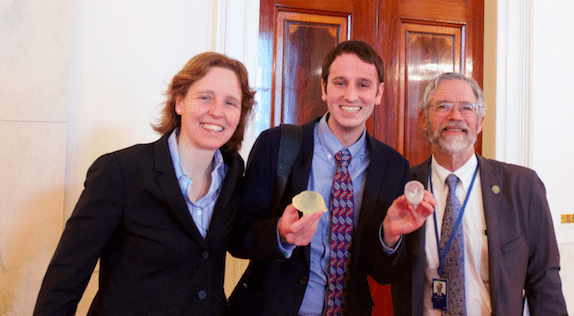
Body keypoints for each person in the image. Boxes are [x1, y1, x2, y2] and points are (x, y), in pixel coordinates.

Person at [33, 52, 255, 316]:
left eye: (231, 103)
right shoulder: (120, 171)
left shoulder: (233, 173)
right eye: (205, 97)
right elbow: (65, 277)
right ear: (179, 102)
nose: (217, 111)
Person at [228, 40, 435, 316]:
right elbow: (238, 236)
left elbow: (383, 274)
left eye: (363, 85)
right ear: (324, 88)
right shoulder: (276, 145)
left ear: (378, 93)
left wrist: (389, 236)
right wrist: (281, 233)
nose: (351, 96)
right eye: (340, 83)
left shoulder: (393, 166)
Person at [391, 71, 568, 316]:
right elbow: (383, 267)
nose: (455, 117)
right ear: (423, 120)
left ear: (480, 121)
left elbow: (544, 282)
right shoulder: (401, 186)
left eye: (467, 108)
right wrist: (388, 236)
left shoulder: (522, 187)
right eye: (443, 106)